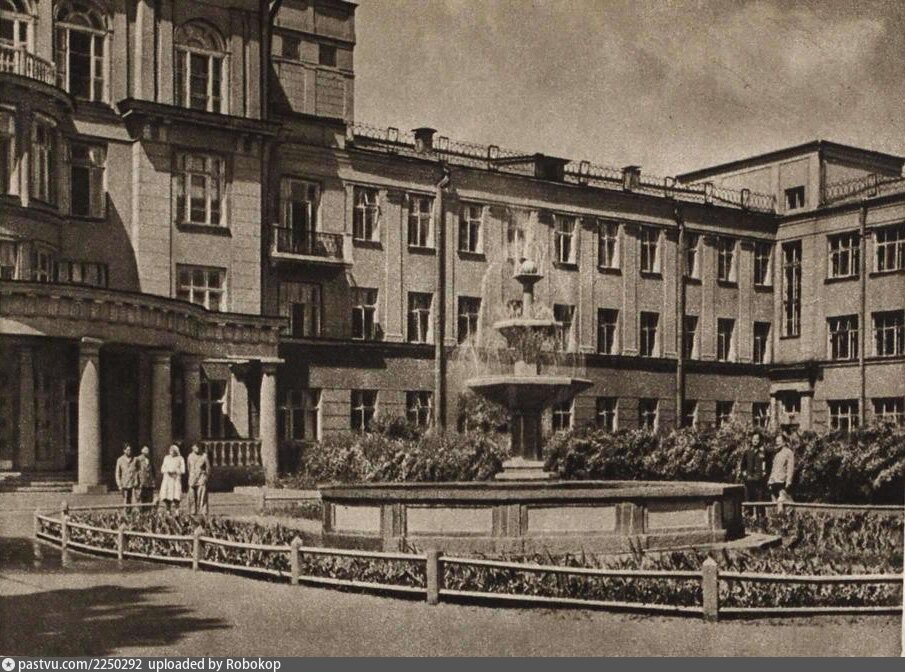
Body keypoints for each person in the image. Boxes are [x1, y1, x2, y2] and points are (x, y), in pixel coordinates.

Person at [737, 432, 768, 513]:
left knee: (760, 500)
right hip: (749, 480)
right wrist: (744, 474)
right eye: (754, 439)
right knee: (748, 499)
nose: (755, 441)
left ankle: (760, 517)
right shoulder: (747, 452)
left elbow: (768, 464)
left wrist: (764, 474)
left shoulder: (764, 452)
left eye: (757, 439)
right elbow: (743, 465)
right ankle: (749, 516)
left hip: (759, 480)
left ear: (760, 440)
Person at [768, 433, 796, 502]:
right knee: (774, 502)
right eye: (776, 441)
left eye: (779, 441)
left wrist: (789, 480)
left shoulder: (788, 452)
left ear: (784, 442)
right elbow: (773, 468)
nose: (777, 443)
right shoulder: (776, 453)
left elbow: (790, 468)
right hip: (773, 482)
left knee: (783, 501)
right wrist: (770, 480)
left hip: (782, 482)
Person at [159, 444, 186, 512]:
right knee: (167, 496)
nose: (172, 452)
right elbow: (162, 469)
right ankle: (168, 511)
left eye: (173, 451)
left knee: (176, 496)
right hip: (167, 480)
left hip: (175, 480)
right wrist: (167, 471)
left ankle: (177, 511)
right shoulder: (166, 458)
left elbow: (183, 470)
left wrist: (176, 471)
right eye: (170, 451)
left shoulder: (180, 458)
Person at [187, 443, 211, 515]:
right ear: (192, 448)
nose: (197, 449)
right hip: (192, 477)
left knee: (202, 494)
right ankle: (192, 511)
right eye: (195, 447)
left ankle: (203, 511)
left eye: (198, 447)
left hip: (201, 477)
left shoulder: (204, 456)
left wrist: (206, 477)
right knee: (191, 494)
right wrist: (191, 474)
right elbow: (188, 467)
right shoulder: (190, 456)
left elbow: (208, 468)